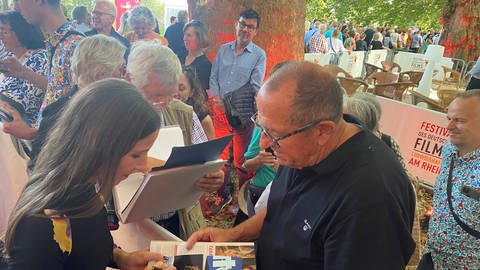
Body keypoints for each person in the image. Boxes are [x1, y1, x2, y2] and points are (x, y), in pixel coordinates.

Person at [187, 61, 416, 269]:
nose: (265, 143)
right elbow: (280, 208)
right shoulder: (302, 147)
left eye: (273, 134)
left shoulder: (369, 200)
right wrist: (234, 236)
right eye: (261, 127)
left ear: (323, 131)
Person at [4, 78, 174, 270]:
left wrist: (119, 257)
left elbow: (86, 247)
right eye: (136, 154)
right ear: (99, 145)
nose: (143, 166)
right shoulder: (44, 222)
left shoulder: (86, 186)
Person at [126, 42, 224, 239]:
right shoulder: (108, 117)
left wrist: (213, 177)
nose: (163, 103)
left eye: (170, 96)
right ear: (130, 79)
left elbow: (206, 165)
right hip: (127, 229)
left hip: (178, 222)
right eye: (156, 95)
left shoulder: (183, 114)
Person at [26, 35, 127, 168]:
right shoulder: (58, 112)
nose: (124, 76)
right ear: (101, 75)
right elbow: (38, 166)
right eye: (121, 69)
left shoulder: (118, 105)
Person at [0, 0, 83, 141]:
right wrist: (23, 72)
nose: (17, 7)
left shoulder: (74, 45)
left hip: (55, 148)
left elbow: (82, 111)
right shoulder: (57, 43)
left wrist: (33, 133)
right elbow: (58, 90)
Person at [421, 90, 480, 269]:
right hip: (432, 255)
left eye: (460, 120)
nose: (449, 126)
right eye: (449, 118)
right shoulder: (449, 149)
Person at [209, 8, 266, 183]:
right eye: (243, 24)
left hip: (242, 114)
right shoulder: (224, 49)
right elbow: (213, 76)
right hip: (220, 114)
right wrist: (216, 99)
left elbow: (255, 86)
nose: (245, 29)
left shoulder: (259, 55)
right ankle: (221, 194)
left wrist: (258, 114)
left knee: (242, 160)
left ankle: (240, 200)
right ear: (236, 25)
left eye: (250, 27)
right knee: (220, 158)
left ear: (255, 31)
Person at [0, 11, 48, 128]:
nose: (0, 36)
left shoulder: (40, 57)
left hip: (17, 126)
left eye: (4, 31)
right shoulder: (9, 59)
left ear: (20, 32)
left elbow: (29, 102)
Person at [175, 68, 215, 140]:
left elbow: (212, 149)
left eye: (181, 89)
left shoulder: (203, 119)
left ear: (191, 92)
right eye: (171, 87)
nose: (175, 93)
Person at [181, 20, 211, 91]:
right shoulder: (180, 55)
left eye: (189, 35)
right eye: (184, 35)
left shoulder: (206, 65)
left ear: (199, 38)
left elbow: (201, 92)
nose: (184, 38)